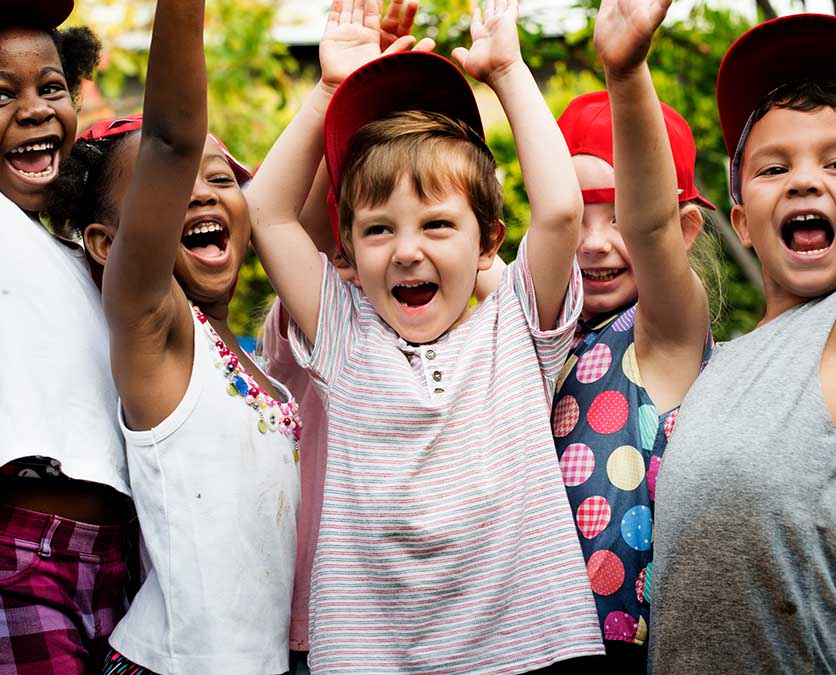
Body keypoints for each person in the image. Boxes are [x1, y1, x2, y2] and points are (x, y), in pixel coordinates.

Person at [247, 1, 604, 672]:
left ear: (488, 244)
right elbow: (266, 210)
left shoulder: (516, 330)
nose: (407, 250)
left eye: (437, 225)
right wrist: (326, 90)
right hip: (374, 658)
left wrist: (508, 71)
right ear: (345, 255)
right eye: (380, 229)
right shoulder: (344, 337)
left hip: (531, 652)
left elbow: (559, 210)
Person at [44, 0, 304, 670]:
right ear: (107, 242)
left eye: (221, 179)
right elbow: (169, 139)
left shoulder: (250, 359)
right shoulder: (155, 331)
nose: (203, 193)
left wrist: (333, 88)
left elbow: (283, 208)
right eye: (169, 189)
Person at [0, 1, 132, 672]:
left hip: (115, 562)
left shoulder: (85, 256)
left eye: (52, 86)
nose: (36, 107)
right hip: (11, 555)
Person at [649, 13, 836, 674]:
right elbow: (649, 229)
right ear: (742, 223)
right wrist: (626, 73)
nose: (806, 180)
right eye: (775, 166)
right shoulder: (717, 363)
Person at [546, 1, 717, 671]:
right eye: (576, 216)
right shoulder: (538, 325)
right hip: (531, 636)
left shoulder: (663, 330)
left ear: (686, 231)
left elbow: (650, 229)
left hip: (625, 647)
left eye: (615, 214)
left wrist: (627, 73)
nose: (593, 243)